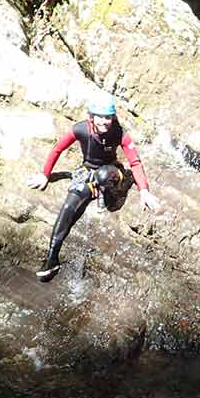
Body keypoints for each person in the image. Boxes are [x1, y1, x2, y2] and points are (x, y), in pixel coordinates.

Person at [27, 93, 161, 282]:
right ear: (92, 116)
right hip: (88, 172)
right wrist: (45, 175)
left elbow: (135, 162)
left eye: (108, 117)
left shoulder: (120, 133)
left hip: (112, 172)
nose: (104, 121)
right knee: (68, 206)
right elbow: (58, 148)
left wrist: (144, 191)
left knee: (103, 175)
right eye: (100, 116)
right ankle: (52, 257)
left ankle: (102, 189)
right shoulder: (80, 129)